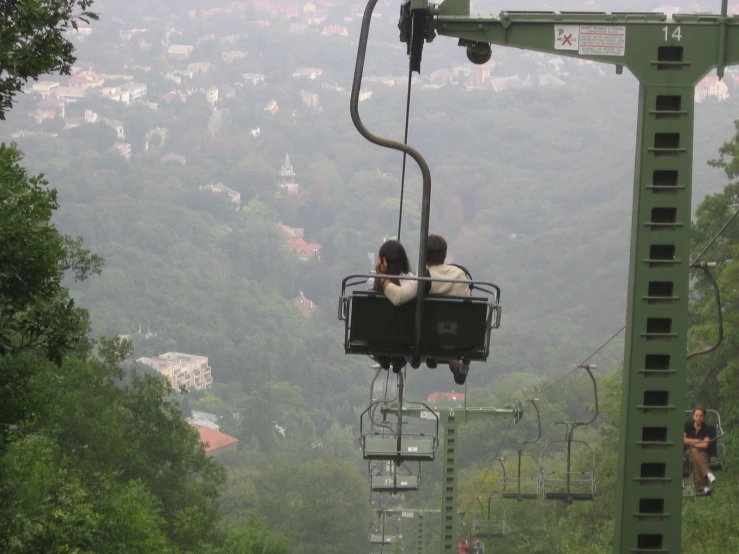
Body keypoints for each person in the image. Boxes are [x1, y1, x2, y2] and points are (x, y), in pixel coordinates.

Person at [376, 234, 471, 384]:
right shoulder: (461, 274)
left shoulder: (425, 278)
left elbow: (398, 297)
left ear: (423, 255)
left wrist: (382, 275)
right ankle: (454, 360)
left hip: (433, 339)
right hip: (462, 337)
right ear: (444, 254)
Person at [369, 239, 414, 373]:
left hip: (379, 335)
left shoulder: (372, 282)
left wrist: (380, 274)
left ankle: (381, 355)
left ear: (383, 261)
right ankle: (399, 360)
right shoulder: (412, 281)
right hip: (404, 337)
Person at [684, 405, 716, 496]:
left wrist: (692, 442)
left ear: (704, 417)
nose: (698, 418)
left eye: (701, 416)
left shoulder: (707, 428)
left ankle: (704, 487)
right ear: (693, 416)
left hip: (703, 453)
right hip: (687, 452)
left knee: (695, 458)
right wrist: (697, 441)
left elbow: (705, 444)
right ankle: (708, 473)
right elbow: (683, 440)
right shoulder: (687, 426)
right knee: (693, 451)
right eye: (697, 415)